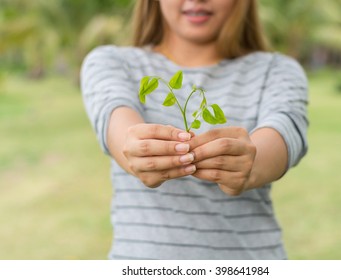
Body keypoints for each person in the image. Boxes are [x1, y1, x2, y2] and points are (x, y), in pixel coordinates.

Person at [81, 0, 308, 260]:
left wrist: (250, 162)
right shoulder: (111, 63)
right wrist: (136, 149)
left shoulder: (277, 70)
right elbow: (118, 126)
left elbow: (284, 136)